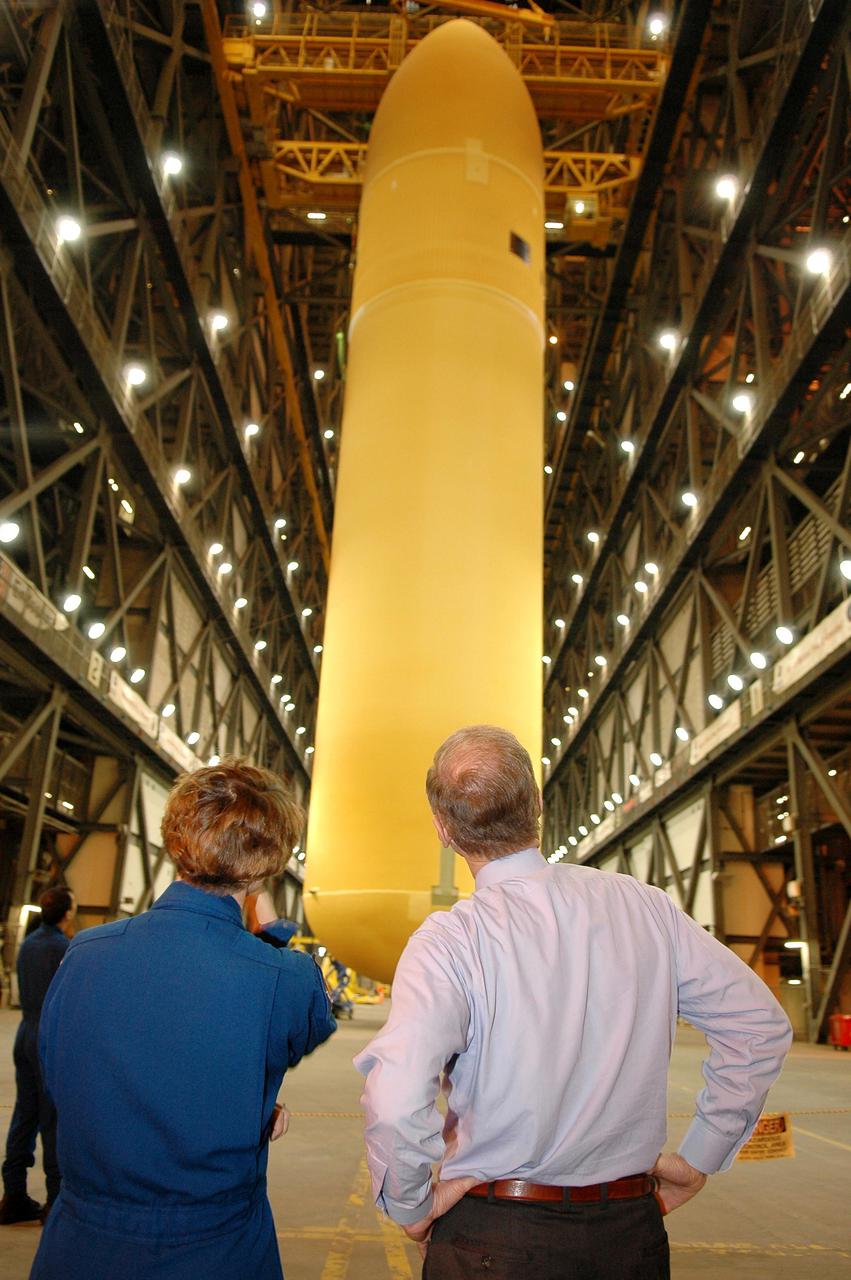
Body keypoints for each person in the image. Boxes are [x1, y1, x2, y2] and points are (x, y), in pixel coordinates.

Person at [354, 725, 793, 1279]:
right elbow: (758, 1022)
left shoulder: (449, 942)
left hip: (493, 1237)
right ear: (537, 804)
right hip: (629, 1237)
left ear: (443, 830)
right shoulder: (644, 908)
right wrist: (704, 1151)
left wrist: (411, 1206)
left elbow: (395, 1101)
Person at [30, 758, 336, 1280]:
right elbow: (308, 1024)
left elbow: (61, 1079)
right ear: (267, 866)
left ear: (175, 843)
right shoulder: (286, 979)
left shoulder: (84, 954)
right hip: (216, 1251)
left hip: (79, 1246)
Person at [0, 887, 76, 1224]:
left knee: (24, 1114)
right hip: (47, 1036)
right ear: (67, 913)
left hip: (24, 1033)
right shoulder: (63, 948)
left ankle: (13, 1194)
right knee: (52, 1119)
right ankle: (55, 1199)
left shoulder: (29, 944)